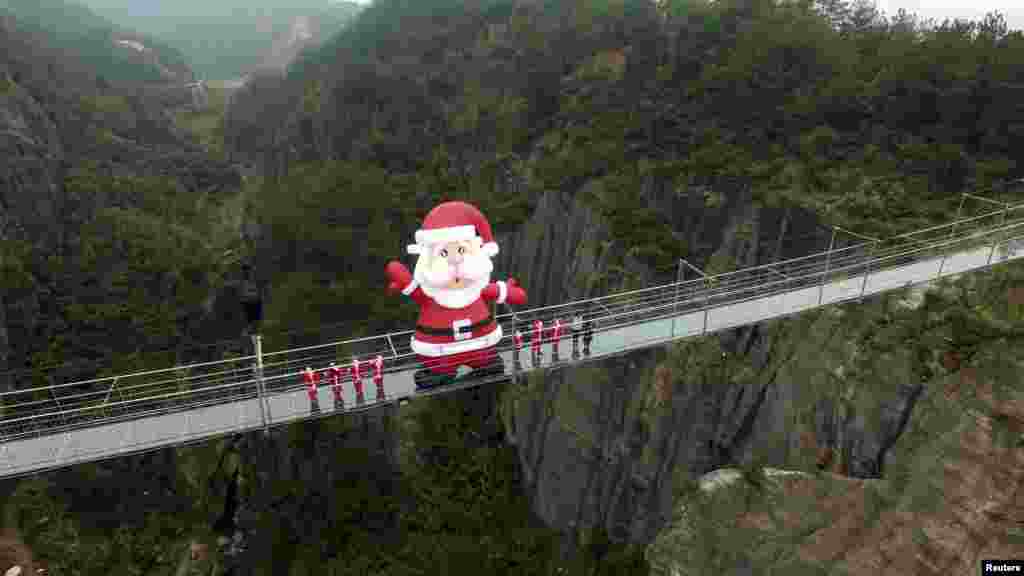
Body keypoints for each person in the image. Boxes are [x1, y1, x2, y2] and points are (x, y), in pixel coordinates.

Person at [384, 201, 526, 387]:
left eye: (461, 250)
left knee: (483, 360)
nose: (455, 260)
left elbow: (517, 295)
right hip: (450, 346)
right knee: (451, 364)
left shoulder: (475, 289)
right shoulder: (432, 293)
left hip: (465, 346)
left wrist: (508, 291)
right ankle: (445, 370)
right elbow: (399, 274)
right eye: (443, 253)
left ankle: (479, 364)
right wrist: (404, 281)